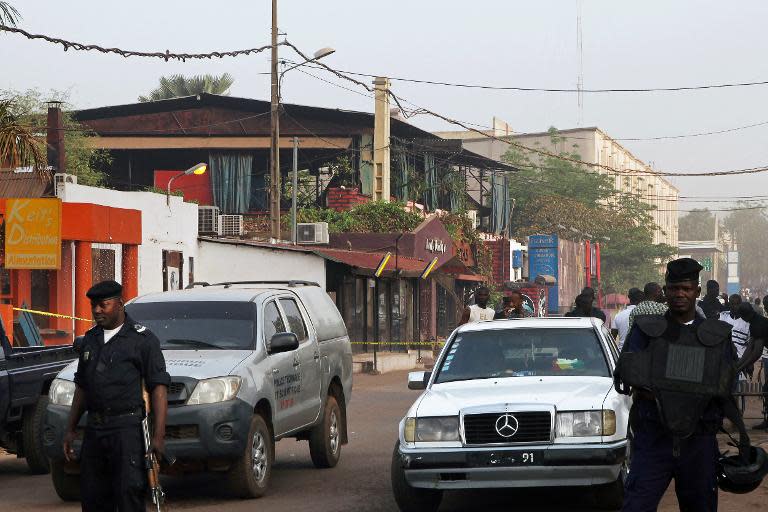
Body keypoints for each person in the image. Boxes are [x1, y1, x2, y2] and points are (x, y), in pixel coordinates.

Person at [618, 258, 734, 511]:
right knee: (636, 505)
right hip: (653, 438)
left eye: (686, 289)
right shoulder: (646, 330)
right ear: (665, 291)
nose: (680, 294)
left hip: (699, 441)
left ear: (697, 292)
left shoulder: (717, 336)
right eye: (674, 289)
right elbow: (632, 376)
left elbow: (724, 385)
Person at [62, 280, 170, 511]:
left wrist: (159, 437)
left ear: (120, 304)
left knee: (128, 494)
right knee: (92, 497)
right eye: (94, 306)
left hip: (127, 429)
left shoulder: (143, 340)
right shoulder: (90, 339)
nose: (97, 311)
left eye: (103, 305)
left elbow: (158, 388)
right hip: (95, 430)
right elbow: (82, 386)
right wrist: (70, 428)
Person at [734, 303, 768, 430]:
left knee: (767, 388)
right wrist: (739, 365)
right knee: (767, 388)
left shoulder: (758, 324)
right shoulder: (755, 322)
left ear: (743, 316)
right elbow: (749, 347)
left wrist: (743, 365)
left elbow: (757, 352)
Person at [719, 294, 750, 363]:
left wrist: (748, 362)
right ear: (729, 304)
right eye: (733, 304)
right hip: (724, 359)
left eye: (738, 304)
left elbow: (749, 345)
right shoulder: (722, 318)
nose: (735, 307)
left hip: (741, 360)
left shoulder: (747, 323)